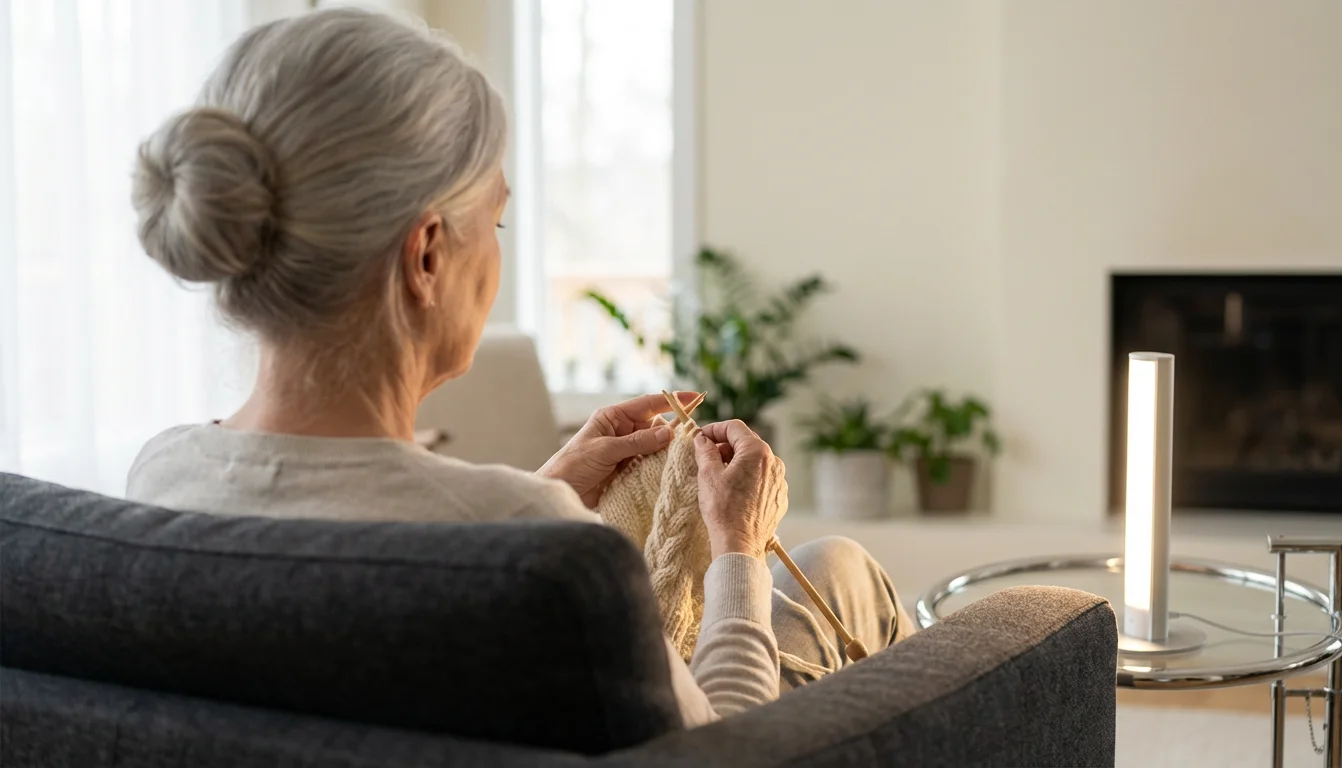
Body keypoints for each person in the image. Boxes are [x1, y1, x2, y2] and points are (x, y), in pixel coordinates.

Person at [125, 7, 914, 727]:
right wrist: (737, 548)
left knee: (823, 568)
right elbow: (723, 755)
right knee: (845, 572)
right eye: (495, 220)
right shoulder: (536, 542)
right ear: (428, 255)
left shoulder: (164, 481)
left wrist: (548, 489)